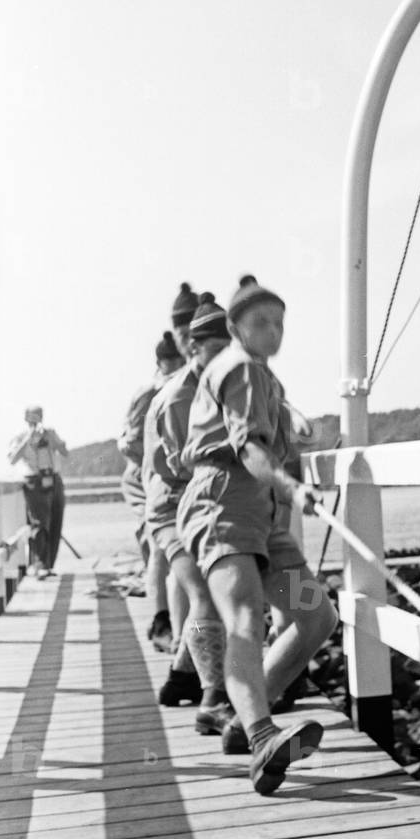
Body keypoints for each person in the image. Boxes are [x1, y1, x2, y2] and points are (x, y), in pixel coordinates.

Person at [178, 275, 337, 795]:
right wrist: (292, 487)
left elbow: (274, 435)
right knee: (245, 615)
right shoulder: (240, 369)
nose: (273, 331)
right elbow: (248, 447)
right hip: (224, 506)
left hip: (263, 519)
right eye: (261, 322)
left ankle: (243, 720)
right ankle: (263, 736)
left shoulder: (265, 377)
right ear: (235, 327)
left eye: (280, 323)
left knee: (315, 615)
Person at [143, 292, 232, 725]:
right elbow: (183, 466)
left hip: (223, 510)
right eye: (216, 348)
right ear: (193, 348)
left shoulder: (232, 382)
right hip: (176, 510)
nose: (226, 357)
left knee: (307, 606)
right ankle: (213, 699)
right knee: (206, 595)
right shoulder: (180, 398)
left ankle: (182, 676)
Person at [119, 327, 187, 649]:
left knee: (176, 554)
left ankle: (181, 631)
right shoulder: (153, 393)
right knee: (159, 544)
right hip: (152, 480)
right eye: (170, 360)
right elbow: (130, 443)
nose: (175, 365)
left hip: (175, 479)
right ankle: (163, 623)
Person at [7, 406, 70, 577]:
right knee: (39, 523)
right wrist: (28, 439)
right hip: (34, 481)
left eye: (38, 416)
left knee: (55, 522)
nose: (36, 420)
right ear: (26, 418)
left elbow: (65, 453)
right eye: (33, 416)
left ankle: (48, 565)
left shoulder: (49, 433)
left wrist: (54, 440)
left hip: (53, 478)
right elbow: (12, 459)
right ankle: (39, 565)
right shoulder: (20, 436)